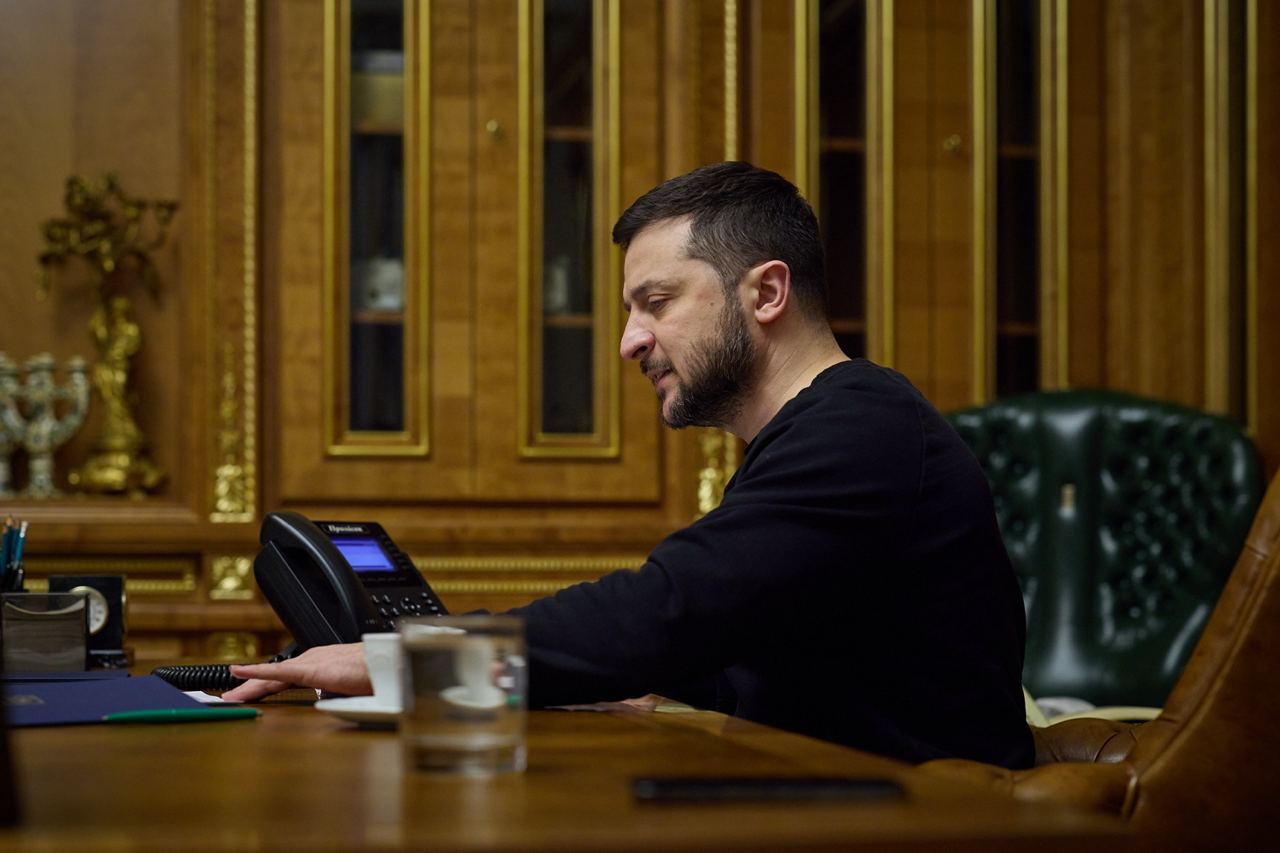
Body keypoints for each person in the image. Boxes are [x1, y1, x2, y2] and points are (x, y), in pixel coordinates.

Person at [225, 162, 1034, 769]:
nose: (629, 341)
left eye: (657, 302)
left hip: (923, 824)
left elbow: (669, 609)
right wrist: (626, 676)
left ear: (766, 292)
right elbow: (763, 657)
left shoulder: (861, 427)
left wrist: (402, 658)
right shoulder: (823, 430)